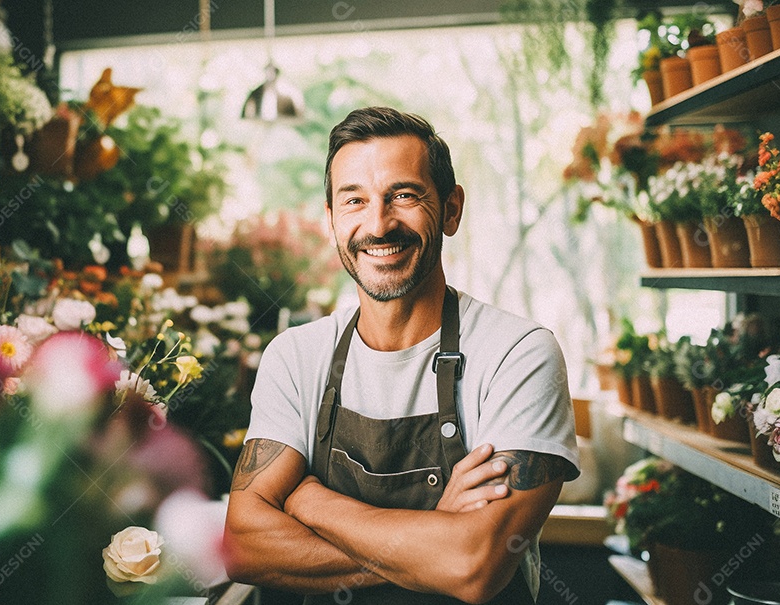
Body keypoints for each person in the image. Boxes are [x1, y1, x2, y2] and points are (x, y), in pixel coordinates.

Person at [223, 106, 580, 604]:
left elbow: (473, 565)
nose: (378, 224)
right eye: (354, 201)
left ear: (452, 209)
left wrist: (308, 498)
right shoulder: (294, 357)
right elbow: (243, 546)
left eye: (404, 195)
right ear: (331, 220)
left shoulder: (517, 356)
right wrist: (435, 537)